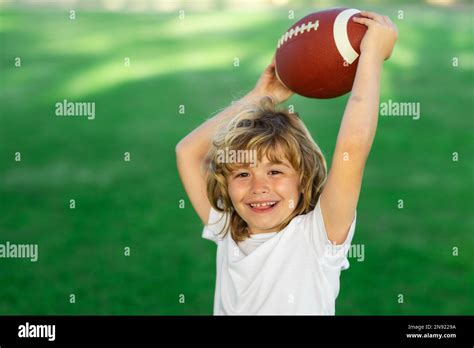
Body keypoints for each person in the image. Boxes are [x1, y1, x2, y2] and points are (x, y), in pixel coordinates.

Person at [176, 11, 398, 315]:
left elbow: (353, 147)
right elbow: (187, 152)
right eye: (242, 173)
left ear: (303, 178)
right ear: (226, 183)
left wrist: (371, 56)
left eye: (275, 171)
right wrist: (260, 96)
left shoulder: (318, 235)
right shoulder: (228, 227)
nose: (259, 187)